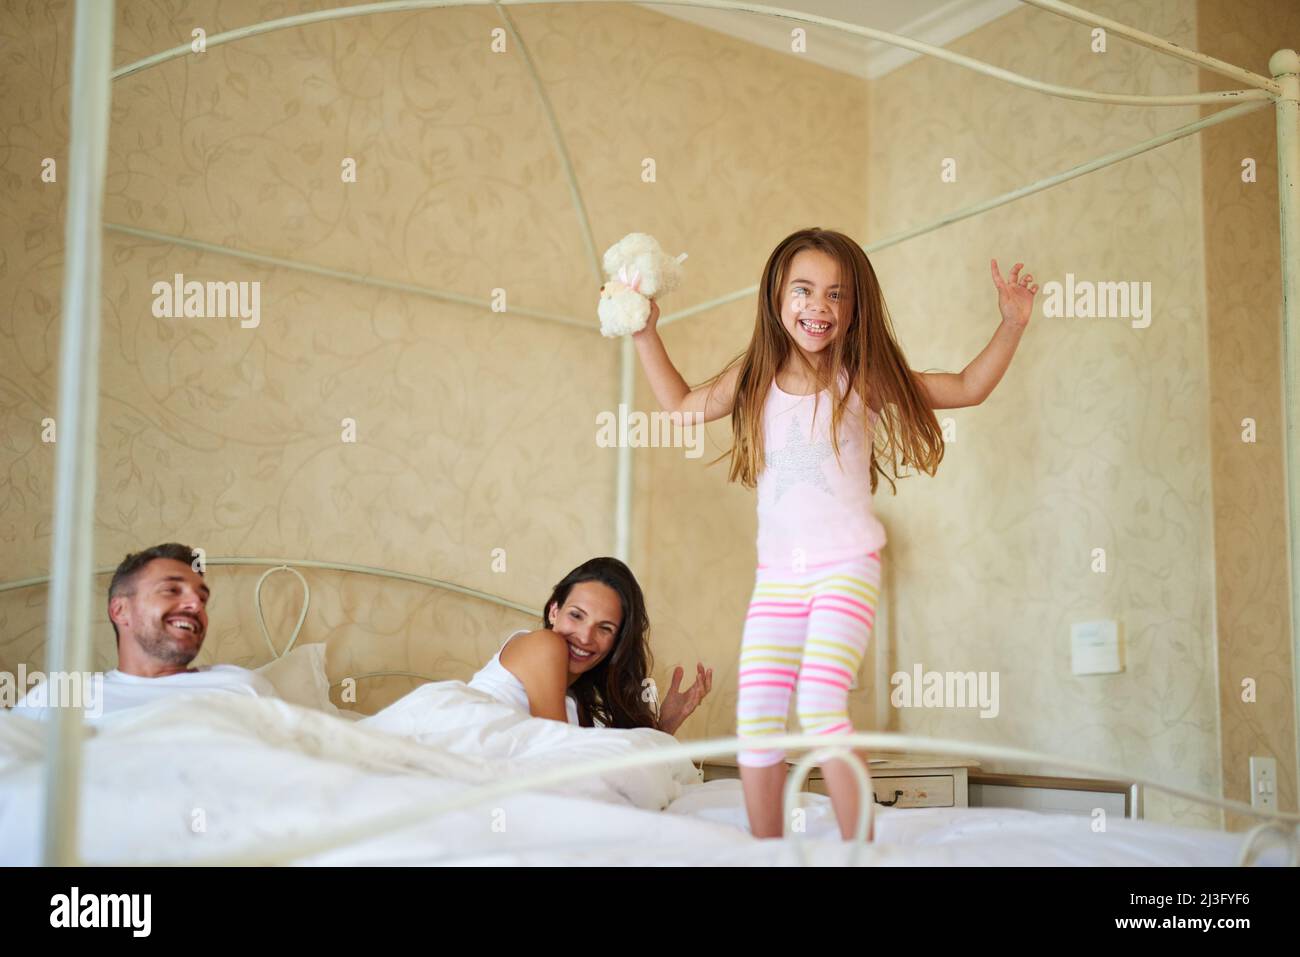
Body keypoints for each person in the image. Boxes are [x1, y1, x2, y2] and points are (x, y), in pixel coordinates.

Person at [626, 227, 1037, 839]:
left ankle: (859, 847)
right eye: (804, 290)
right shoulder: (754, 378)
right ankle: (766, 849)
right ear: (776, 297)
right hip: (778, 577)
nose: (819, 306)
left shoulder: (861, 375)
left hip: (847, 563)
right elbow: (681, 404)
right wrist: (643, 330)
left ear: (854, 308)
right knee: (759, 713)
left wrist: (1011, 322)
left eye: (837, 295)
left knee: (820, 705)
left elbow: (967, 388)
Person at [12, 543, 276, 720]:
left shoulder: (242, 685)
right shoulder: (59, 696)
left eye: (202, 599)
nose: (196, 605)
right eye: (171, 590)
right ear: (120, 611)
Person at [468, 556, 711, 734]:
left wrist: (665, 726)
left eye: (605, 628)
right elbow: (556, 756)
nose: (585, 637)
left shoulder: (578, 702)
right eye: (576, 615)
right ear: (554, 611)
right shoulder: (545, 645)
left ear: (617, 642)